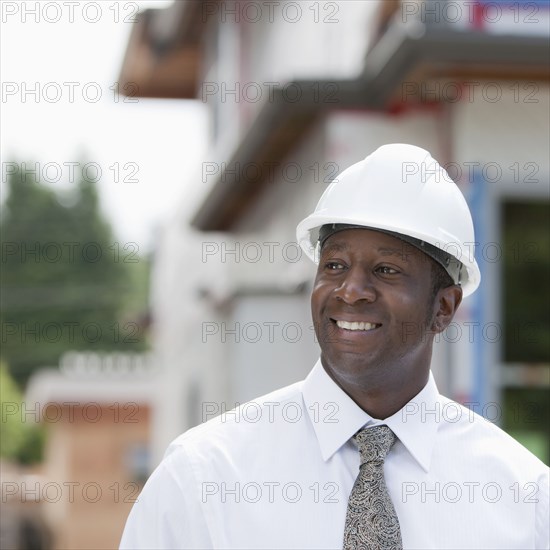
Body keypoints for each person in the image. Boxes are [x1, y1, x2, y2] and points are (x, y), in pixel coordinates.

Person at [120, 144, 548, 549]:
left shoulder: (524, 499)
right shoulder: (204, 478)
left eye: (386, 270)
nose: (351, 290)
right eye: (335, 265)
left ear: (444, 307)